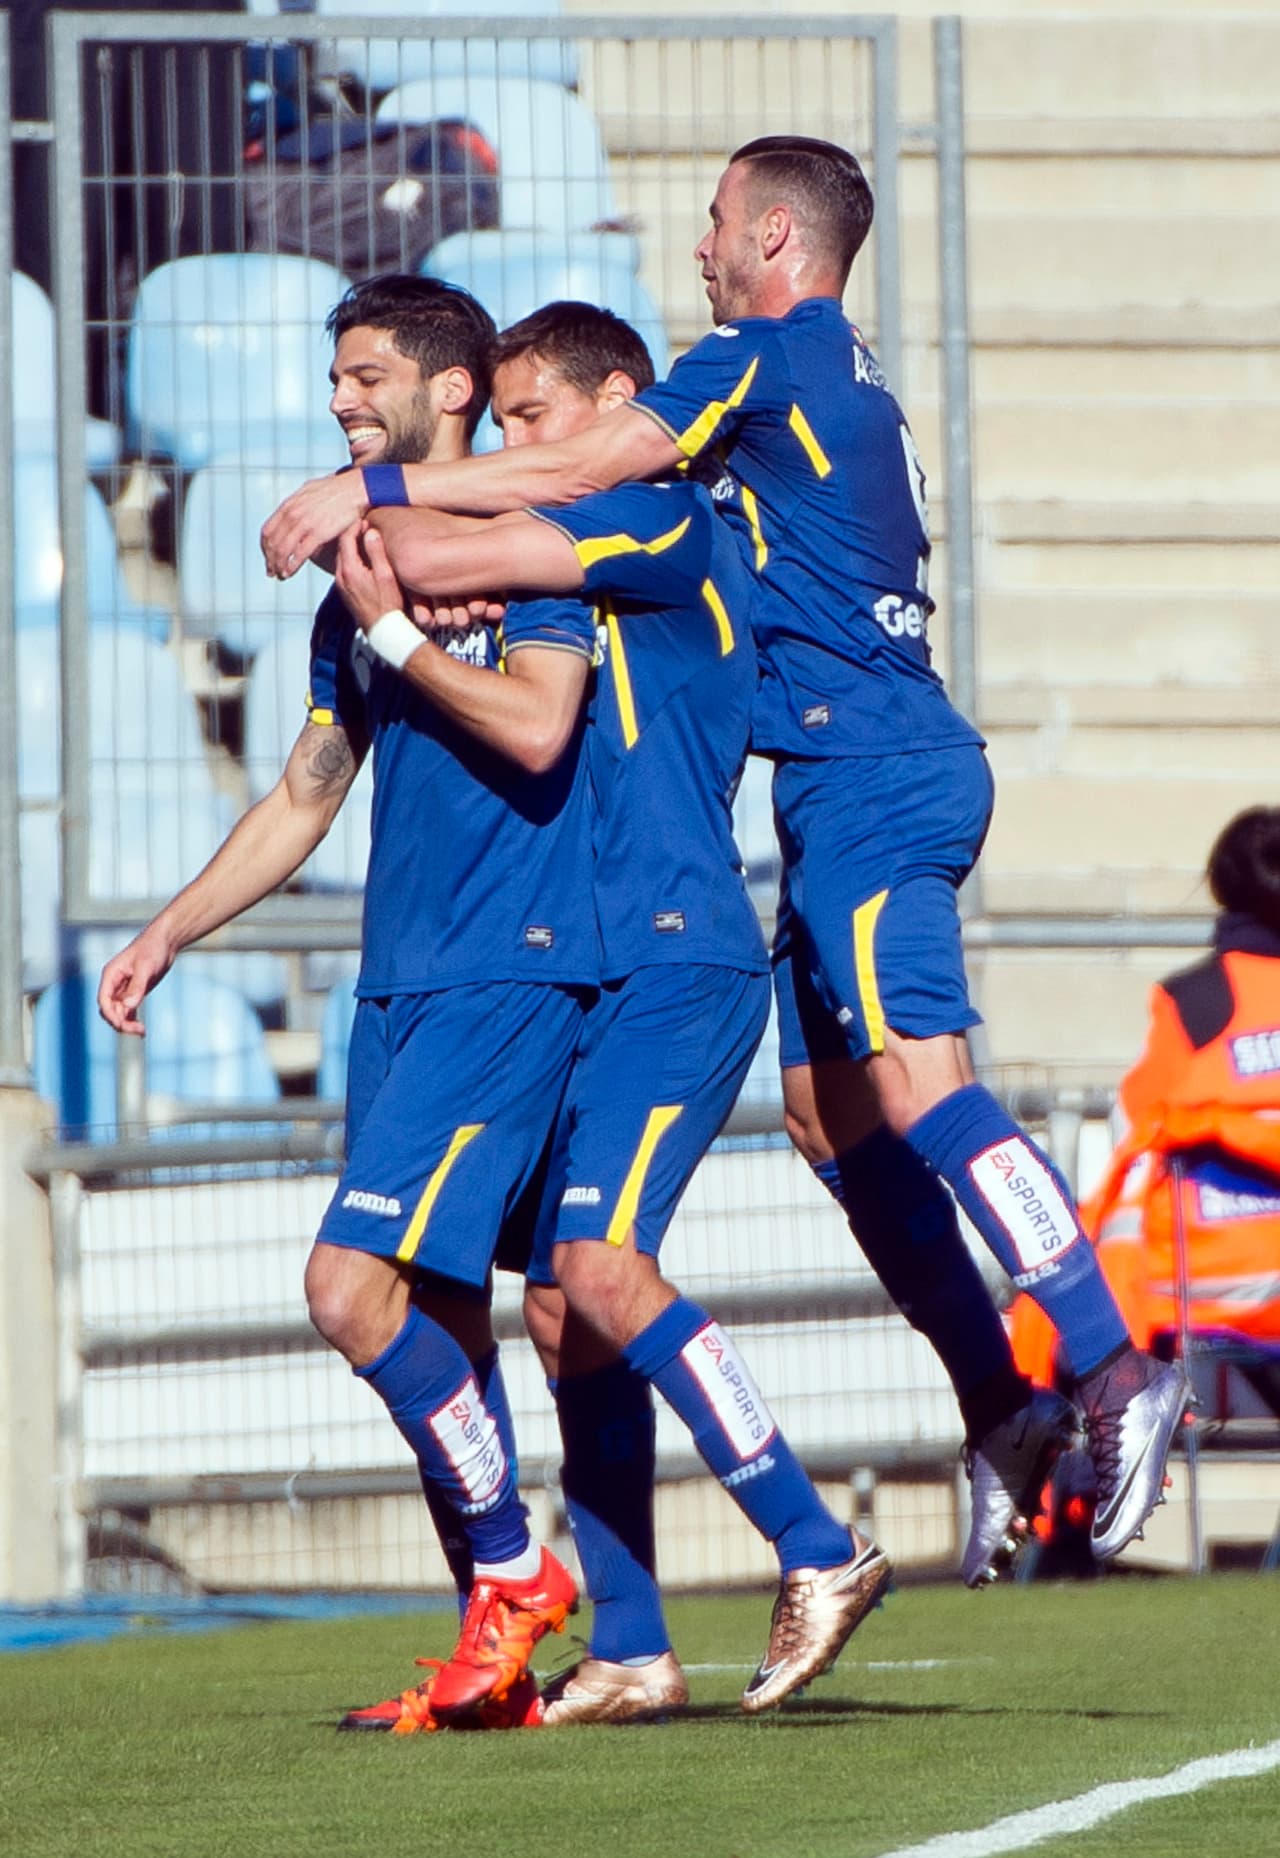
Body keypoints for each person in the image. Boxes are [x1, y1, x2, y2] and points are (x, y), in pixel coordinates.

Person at [262, 139, 1187, 1573]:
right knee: (831, 1118)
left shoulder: (763, 356)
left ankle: (1114, 1367)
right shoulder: (828, 386)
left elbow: (593, 456)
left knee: (920, 1084)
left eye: (711, 222)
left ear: (770, 234)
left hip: (874, 775)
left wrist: (372, 500)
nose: (698, 245)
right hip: (833, 786)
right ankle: (1002, 1405)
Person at [342, 300, 892, 1726]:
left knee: (594, 1264)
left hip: (677, 954)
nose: (516, 447)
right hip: (596, 964)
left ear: (616, 403)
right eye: (504, 421)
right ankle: (636, 1644)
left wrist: (369, 521)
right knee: (557, 1303)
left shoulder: (655, 514)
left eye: (532, 420)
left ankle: (819, 1542)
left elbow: (466, 546)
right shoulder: (600, 540)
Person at [99, 274, 601, 1733]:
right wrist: (170, 928)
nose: (337, 397)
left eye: (363, 372)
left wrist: (394, 613)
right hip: (401, 984)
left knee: (347, 1287)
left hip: (511, 971)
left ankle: (525, 1570)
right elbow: (308, 795)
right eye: (330, 377)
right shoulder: (361, 582)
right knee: (442, 1313)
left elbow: (543, 725)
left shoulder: (531, 552)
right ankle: (495, 1652)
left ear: (453, 390)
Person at [1013, 806, 1280, 1390]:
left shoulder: (1195, 1000)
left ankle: (1109, 1415)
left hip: (1212, 1289)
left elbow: (1131, 1126)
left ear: (1222, 888)